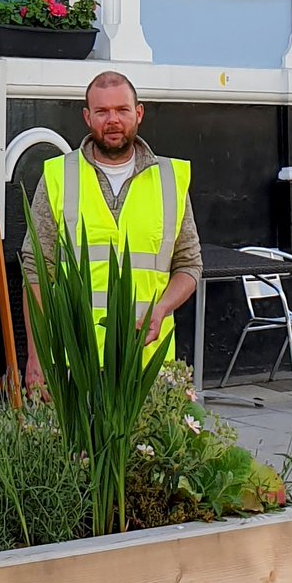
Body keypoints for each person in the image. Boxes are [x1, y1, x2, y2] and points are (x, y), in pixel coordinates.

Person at [20, 71, 202, 390]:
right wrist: (37, 357)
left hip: (148, 359)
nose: (113, 120)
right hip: (76, 359)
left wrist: (161, 310)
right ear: (87, 117)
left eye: (122, 110)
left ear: (139, 113)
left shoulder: (171, 179)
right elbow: (36, 271)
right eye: (102, 112)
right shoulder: (58, 176)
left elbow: (189, 264)